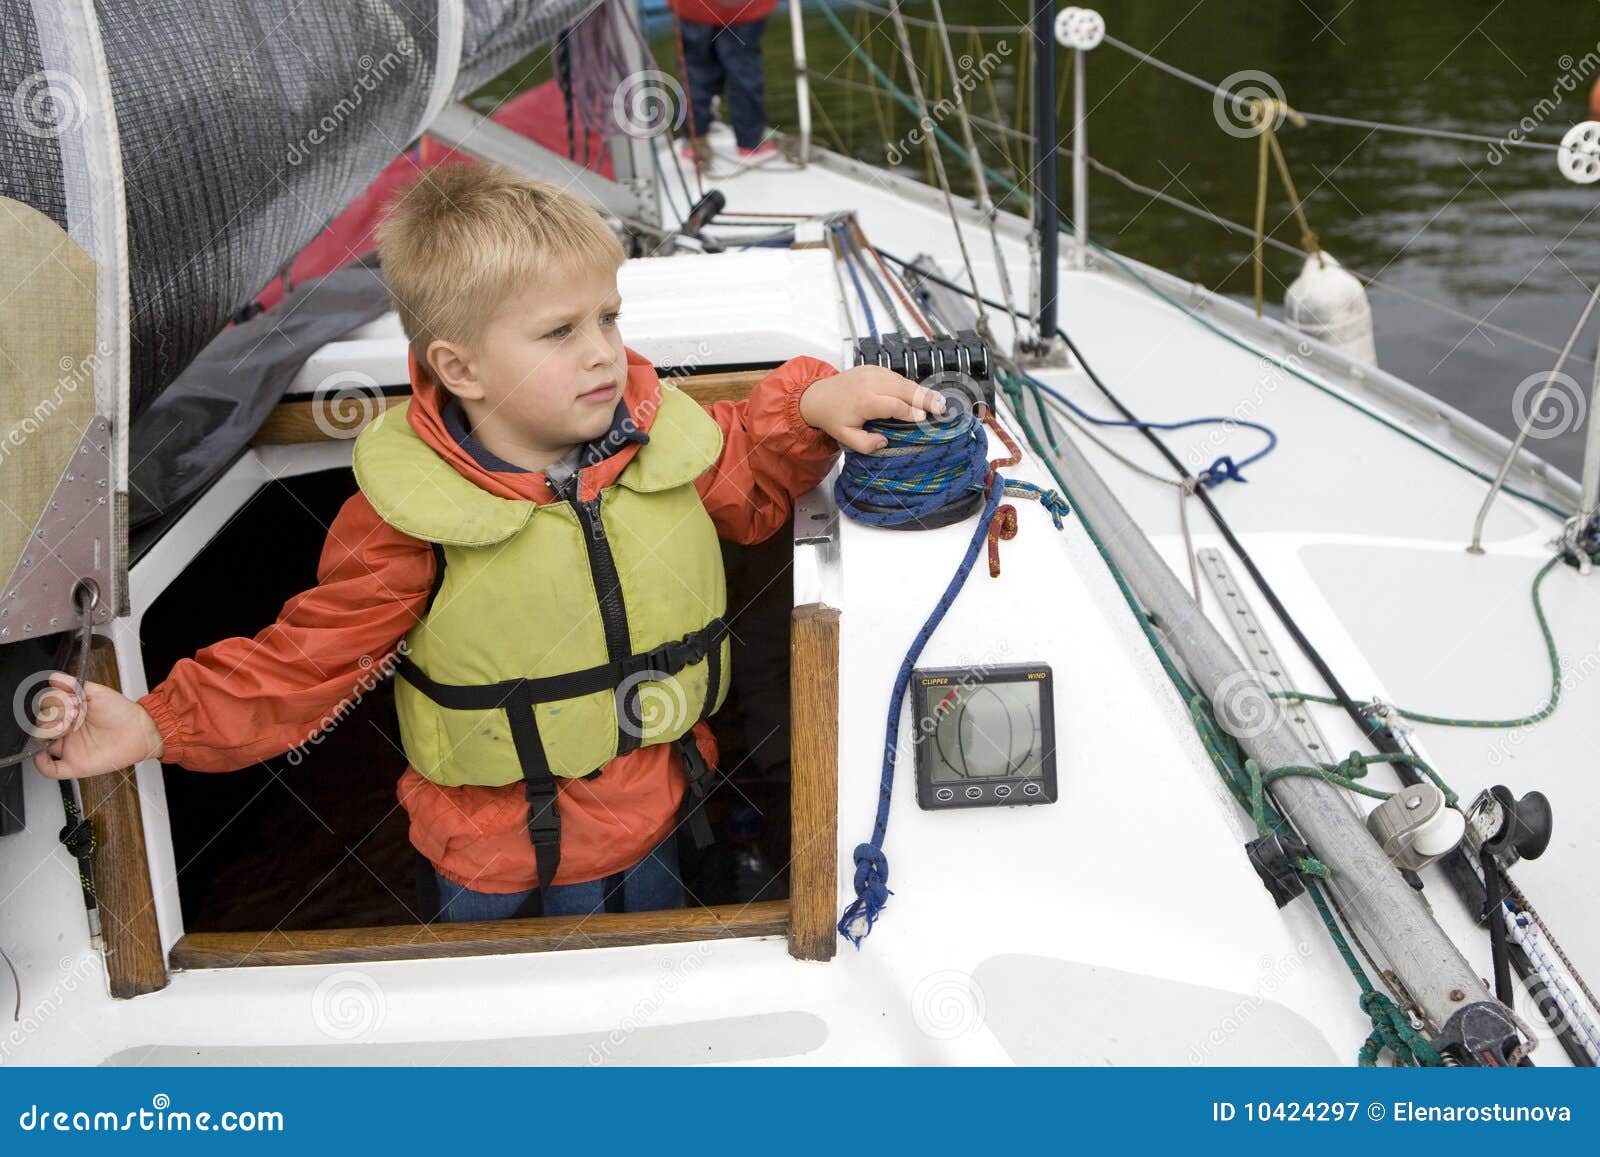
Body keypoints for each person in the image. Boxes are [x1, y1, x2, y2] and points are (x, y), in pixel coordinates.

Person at [29, 162, 944, 923]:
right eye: (559, 331)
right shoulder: (406, 521)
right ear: (457, 367)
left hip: (660, 809)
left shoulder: (667, 443)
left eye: (608, 317)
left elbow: (750, 479)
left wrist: (813, 404)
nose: (602, 352)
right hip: (487, 859)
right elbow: (302, 664)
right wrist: (155, 724)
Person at [670, 0, 779, 162]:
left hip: (693, 9)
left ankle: (695, 140)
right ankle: (750, 141)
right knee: (745, 72)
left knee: (695, 73)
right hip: (744, 10)